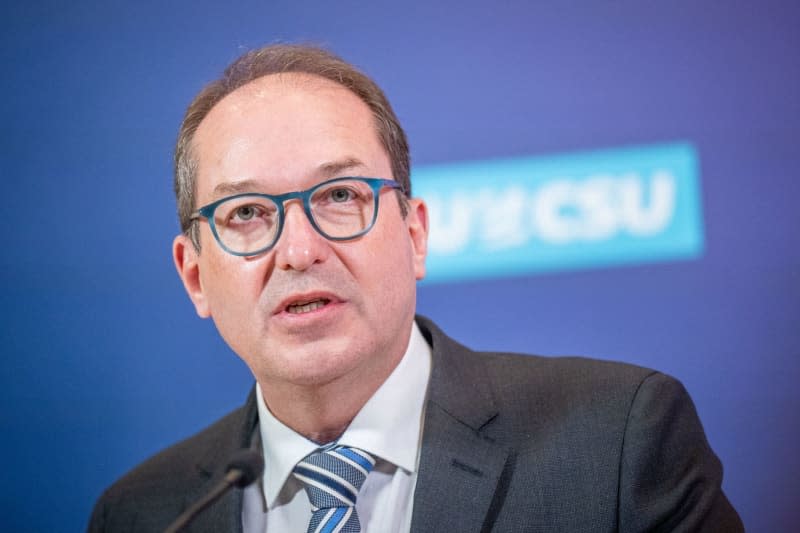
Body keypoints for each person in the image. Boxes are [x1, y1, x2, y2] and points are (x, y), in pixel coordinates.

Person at [89, 44, 742, 532]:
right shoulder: (142, 512)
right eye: (247, 213)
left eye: (340, 195)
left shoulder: (618, 443)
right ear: (195, 275)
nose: (297, 250)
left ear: (415, 233)